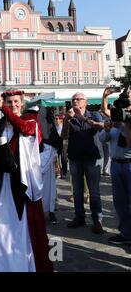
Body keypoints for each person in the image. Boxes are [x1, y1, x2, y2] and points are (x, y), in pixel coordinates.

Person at [0, 90, 53, 272]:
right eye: (9, 102)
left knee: (23, 223)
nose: (13, 105)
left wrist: (3, 107)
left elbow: (24, 129)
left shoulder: (30, 120)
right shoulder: (2, 124)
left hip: (22, 182)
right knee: (1, 220)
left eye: (16, 101)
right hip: (3, 182)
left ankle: (24, 262)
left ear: (22, 102)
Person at [62, 92, 104, 234]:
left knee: (94, 191)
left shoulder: (94, 114)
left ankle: (97, 220)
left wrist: (83, 118)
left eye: (78, 99)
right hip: (75, 157)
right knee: (77, 190)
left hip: (92, 157)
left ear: (85, 102)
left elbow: (100, 127)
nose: (75, 101)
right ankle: (79, 217)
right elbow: (64, 136)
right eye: (73, 99)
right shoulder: (69, 117)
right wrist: (67, 120)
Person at [99, 87, 131, 244]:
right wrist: (104, 96)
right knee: (120, 202)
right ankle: (125, 234)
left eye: (127, 103)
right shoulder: (115, 120)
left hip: (130, 164)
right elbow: (104, 111)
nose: (123, 107)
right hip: (116, 165)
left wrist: (125, 127)